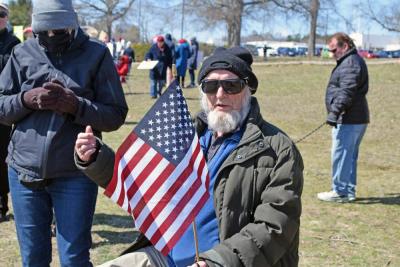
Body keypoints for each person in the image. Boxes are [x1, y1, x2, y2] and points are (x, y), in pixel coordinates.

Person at [75, 46, 304, 267]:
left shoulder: (277, 149)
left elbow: (275, 225)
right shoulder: (186, 134)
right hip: (163, 256)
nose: (220, 94)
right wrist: (96, 157)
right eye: (211, 86)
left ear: (248, 90)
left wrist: (217, 261)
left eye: (231, 85)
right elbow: (140, 182)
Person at [0, 0, 128, 266]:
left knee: (74, 259)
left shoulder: (96, 54)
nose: (50, 37)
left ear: (73, 23)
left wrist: (76, 105)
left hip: (75, 174)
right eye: (43, 31)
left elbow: (115, 114)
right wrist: (26, 99)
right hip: (24, 172)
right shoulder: (22, 53)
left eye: (58, 30)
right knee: (33, 258)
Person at [317, 32, 369, 203]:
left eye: (333, 50)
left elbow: (346, 92)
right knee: (349, 156)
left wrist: (334, 113)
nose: (332, 54)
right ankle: (348, 191)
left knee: (341, 155)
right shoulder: (350, 61)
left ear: (344, 46)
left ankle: (340, 191)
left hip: (349, 119)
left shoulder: (350, 63)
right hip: (354, 118)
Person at [0, 2, 20, 223]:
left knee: (2, 157)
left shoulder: (14, 45)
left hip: (4, 110)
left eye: (2, 14)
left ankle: (2, 203)